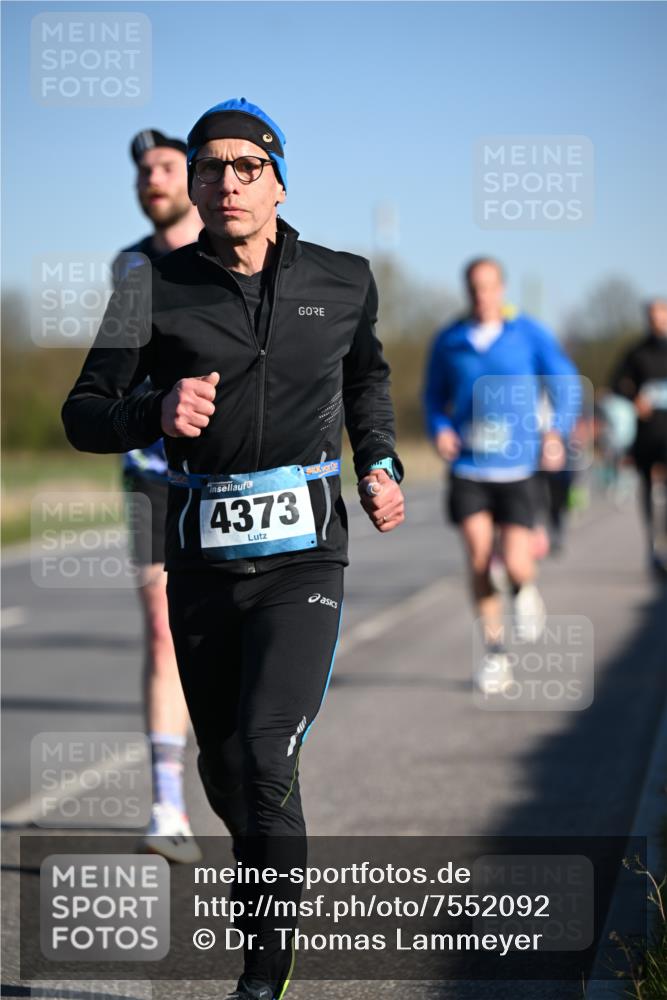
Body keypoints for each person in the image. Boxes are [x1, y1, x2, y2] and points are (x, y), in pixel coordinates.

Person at [62, 97, 405, 1000]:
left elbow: (365, 380)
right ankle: (265, 875)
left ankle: (263, 971)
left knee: (265, 751)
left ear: (279, 181)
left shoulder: (343, 279)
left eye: (245, 165)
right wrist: (153, 409)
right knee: (224, 766)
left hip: (305, 560)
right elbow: (83, 412)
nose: (225, 180)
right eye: (209, 166)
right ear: (195, 184)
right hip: (203, 559)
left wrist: (377, 462)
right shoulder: (152, 286)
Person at [423, 257, 579, 694]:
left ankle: (525, 588)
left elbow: (564, 382)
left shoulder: (527, 333)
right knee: (477, 559)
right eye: (474, 287)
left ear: (502, 288)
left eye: (489, 287)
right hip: (469, 466)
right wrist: (440, 430)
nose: (482, 295)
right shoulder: (449, 339)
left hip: (519, 467)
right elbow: (432, 396)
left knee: (513, 563)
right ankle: (495, 655)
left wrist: (555, 431)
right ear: (466, 290)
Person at [114, 130, 203, 863]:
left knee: (232, 628)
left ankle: (250, 771)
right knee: (159, 623)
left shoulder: (236, 249)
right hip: (150, 469)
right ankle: (167, 803)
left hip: (229, 472)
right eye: (144, 170)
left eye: (165, 166)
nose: (153, 178)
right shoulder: (131, 265)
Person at [611, 297, 667, 577]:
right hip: (648, 431)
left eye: (661, 313)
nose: (657, 319)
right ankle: (653, 546)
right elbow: (616, 382)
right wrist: (634, 398)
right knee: (648, 489)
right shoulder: (637, 352)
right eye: (652, 314)